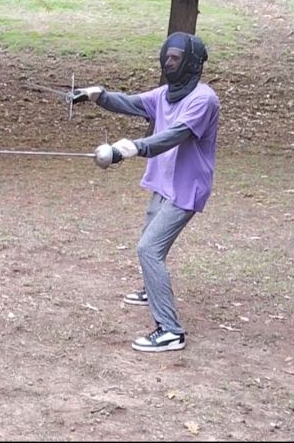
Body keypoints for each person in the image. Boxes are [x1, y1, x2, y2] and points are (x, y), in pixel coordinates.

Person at [71, 32, 220, 353]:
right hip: (163, 182)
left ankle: (169, 330)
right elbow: (134, 103)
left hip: (186, 189)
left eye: (175, 58)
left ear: (191, 62)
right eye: (167, 56)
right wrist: (99, 95)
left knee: (149, 249)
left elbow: (173, 136)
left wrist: (132, 148)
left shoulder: (203, 100)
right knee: (150, 233)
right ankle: (150, 288)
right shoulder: (167, 94)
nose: (169, 62)